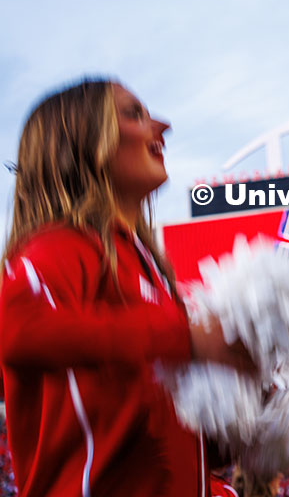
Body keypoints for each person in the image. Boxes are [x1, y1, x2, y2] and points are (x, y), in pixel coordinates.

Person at [0, 78, 252, 496]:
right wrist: (184, 338)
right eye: (134, 113)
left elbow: (153, 443)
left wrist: (242, 417)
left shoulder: (148, 264)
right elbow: (15, 328)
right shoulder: (62, 245)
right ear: (80, 142)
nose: (163, 126)